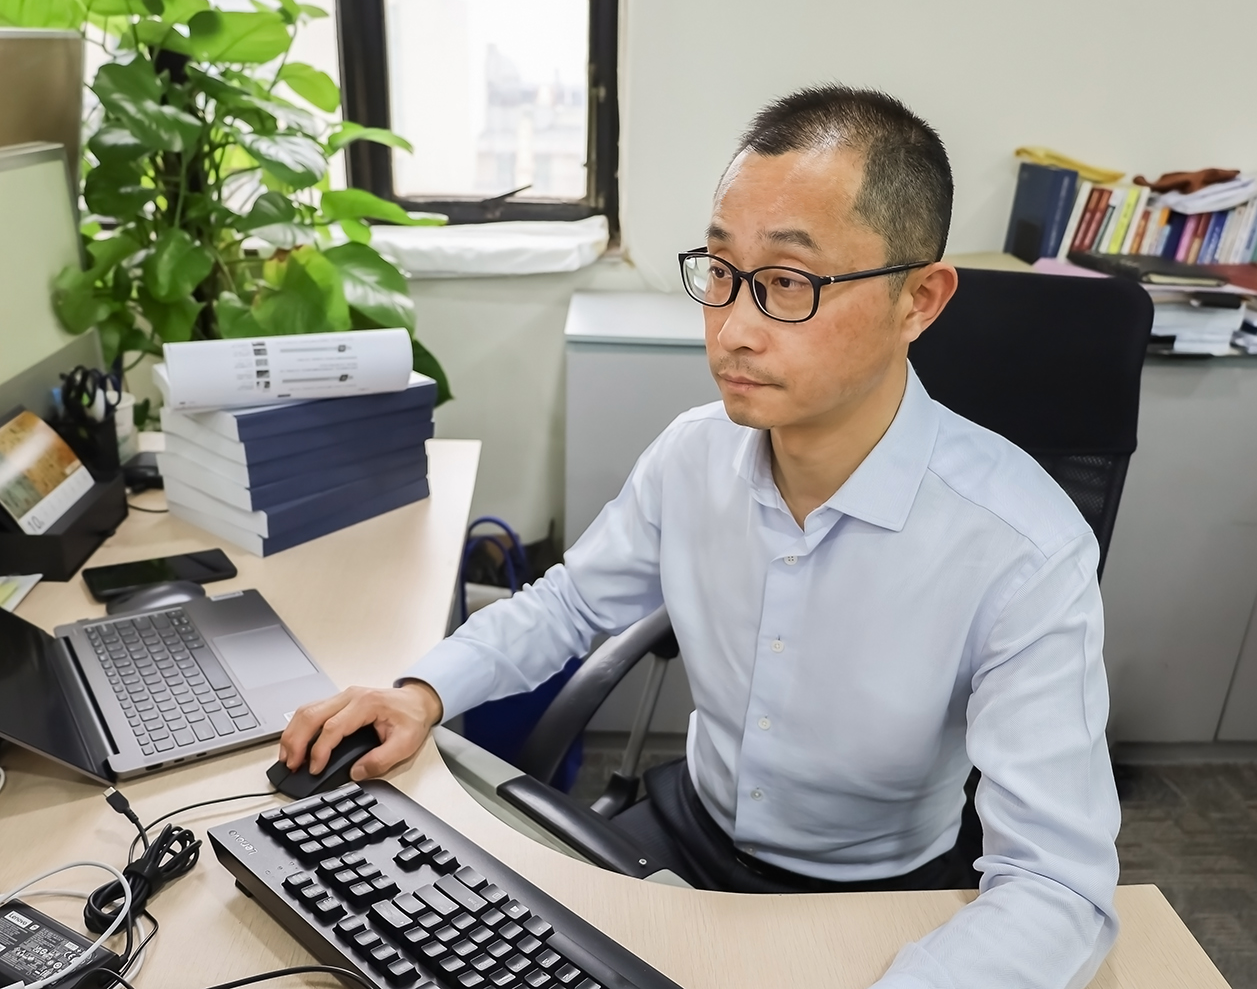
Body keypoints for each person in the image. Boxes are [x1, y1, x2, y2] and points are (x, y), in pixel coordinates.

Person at [280, 85, 1120, 988]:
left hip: (875, 892)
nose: (733, 329)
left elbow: (1057, 887)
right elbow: (568, 605)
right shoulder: (693, 453)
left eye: (788, 282)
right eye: (720, 271)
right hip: (687, 831)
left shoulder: (1024, 549)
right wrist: (422, 691)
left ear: (918, 299)